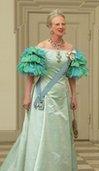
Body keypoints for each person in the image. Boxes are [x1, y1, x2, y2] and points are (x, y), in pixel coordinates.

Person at [0, 9, 88, 171]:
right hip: (43, 96)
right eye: (57, 24)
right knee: (41, 132)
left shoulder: (70, 48)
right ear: (50, 27)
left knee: (60, 135)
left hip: (62, 96)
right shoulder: (41, 47)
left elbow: (72, 75)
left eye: (63, 23)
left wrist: (74, 96)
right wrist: (27, 96)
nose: (61, 26)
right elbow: (30, 75)